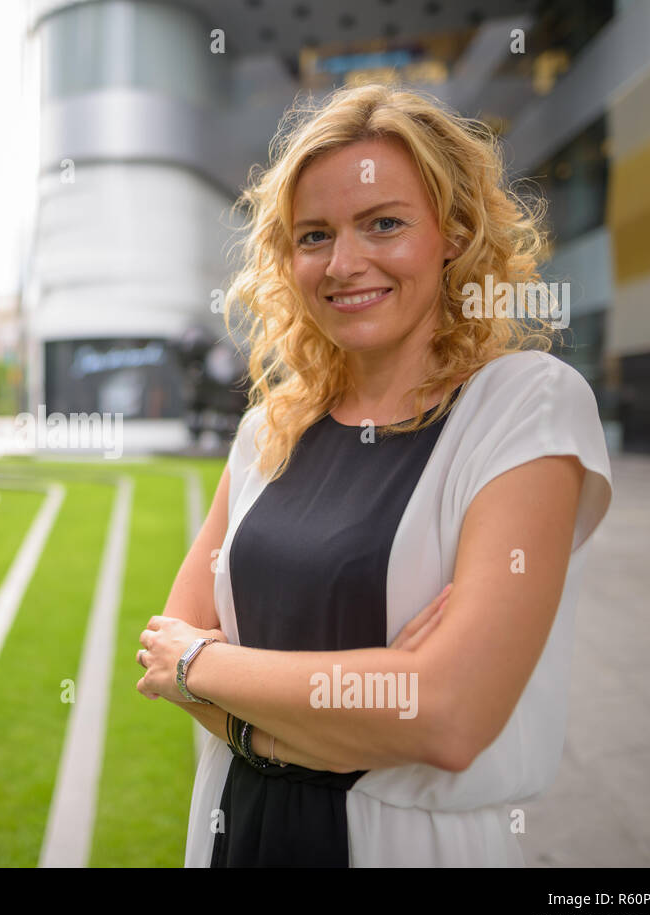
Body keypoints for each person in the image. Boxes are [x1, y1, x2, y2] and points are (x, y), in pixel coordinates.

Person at [134, 84, 614, 867]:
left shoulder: (526, 404)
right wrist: (372, 694)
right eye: (314, 234)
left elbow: (447, 714)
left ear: (453, 233)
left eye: (384, 223)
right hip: (236, 828)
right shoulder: (268, 430)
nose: (344, 262)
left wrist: (209, 666)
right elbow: (165, 650)